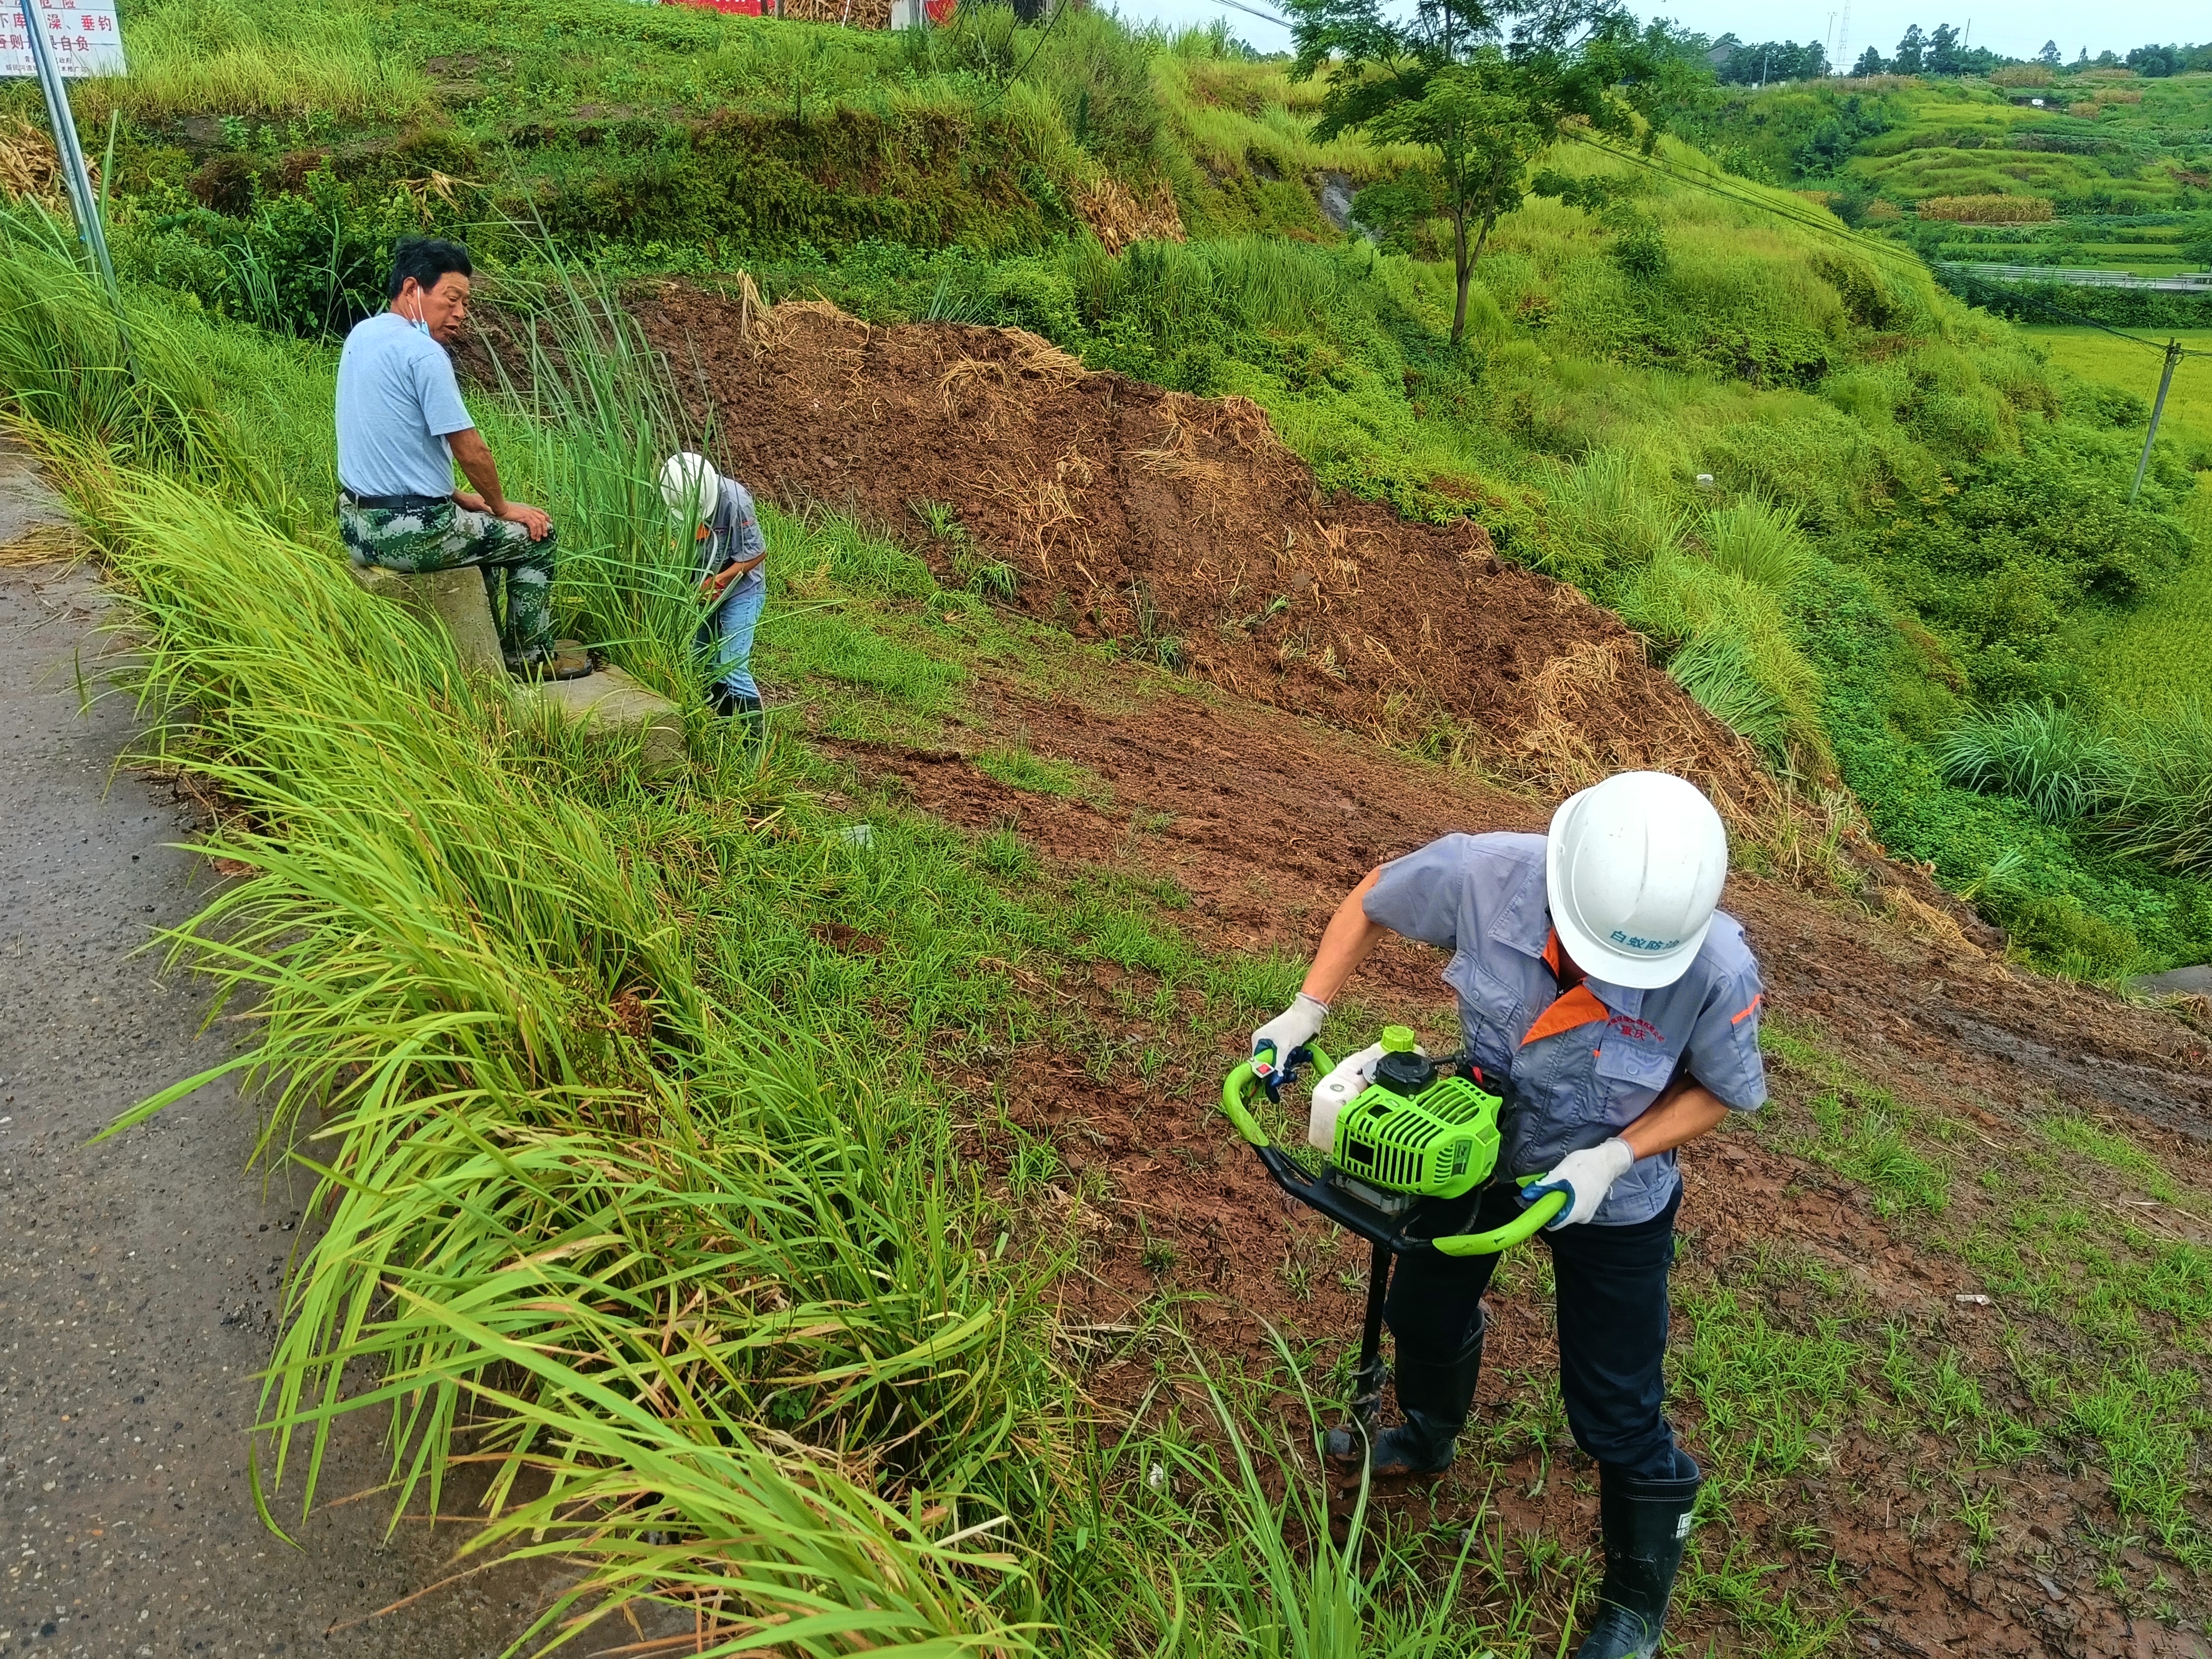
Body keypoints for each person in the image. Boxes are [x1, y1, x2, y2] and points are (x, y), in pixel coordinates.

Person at [1249, 770, 1766, 1659]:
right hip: (1475, 1139)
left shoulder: (1714, 967)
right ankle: (1427, 1431)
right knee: (1420, 1309)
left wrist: (1612, 1158)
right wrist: (1305, 1011)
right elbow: (1371, 897)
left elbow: (1720, 1092)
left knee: (1614, 1404)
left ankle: (1634, 1610)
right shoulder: (1483, 873)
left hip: (1612, 1192)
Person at [335, 237, 585, 680]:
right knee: (538, 537)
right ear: (413, 289)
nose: (461, 313)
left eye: (465, 302)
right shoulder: (424, 353)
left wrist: (454, 495)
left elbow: (387, 440)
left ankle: (481, 652)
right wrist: (504, 508)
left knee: (481, 536)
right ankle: (530, 658)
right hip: (412, 533)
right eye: (452, 299)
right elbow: (471, 449)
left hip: (356, 527)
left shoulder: (363, 335)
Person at [660, 453, 768, 745]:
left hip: (741, 588)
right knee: (700, 661)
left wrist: (718, 581)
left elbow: (756, 554)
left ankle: (753, 746)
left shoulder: (735, 501)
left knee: (731, 665)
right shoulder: (674, 494)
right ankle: (718, 732)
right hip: (701, 588)